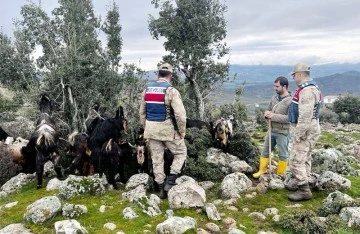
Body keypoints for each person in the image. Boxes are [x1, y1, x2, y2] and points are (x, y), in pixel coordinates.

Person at [139, 62, 187, 199]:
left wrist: (146, 127)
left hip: (151, 130)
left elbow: (142, 113)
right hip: (167, 130)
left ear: (157, 74)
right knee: (181, 152)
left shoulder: (146, 90)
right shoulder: (171, 91)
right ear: (170, 76)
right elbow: (180, 115)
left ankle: (160, 188)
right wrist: (182, 131)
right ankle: (170, 182)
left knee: (157, 159)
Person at [287, 63, 322, 201]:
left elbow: (305, 116)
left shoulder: (307, 91)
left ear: (300, 74)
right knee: (305, 156)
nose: (294, 77)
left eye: (294, 75)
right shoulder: (312, 87)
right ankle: (302, 180)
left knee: (296, 159)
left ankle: (304, 189)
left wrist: (298, 134)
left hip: (305, 130)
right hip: (312, 128)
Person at [253, 76, 292, 178]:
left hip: (283, 132)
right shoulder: (274, 98)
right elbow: (269, 110)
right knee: (265, 151)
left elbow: (290, 118)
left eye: (277, 86)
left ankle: (280, 174)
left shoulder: (291, 101)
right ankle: (261, 170)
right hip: (271, 130)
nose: (275, 88)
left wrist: (273, 116)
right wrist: (266, 114)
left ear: (284, 87)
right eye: (274, 86)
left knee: (283, 154)